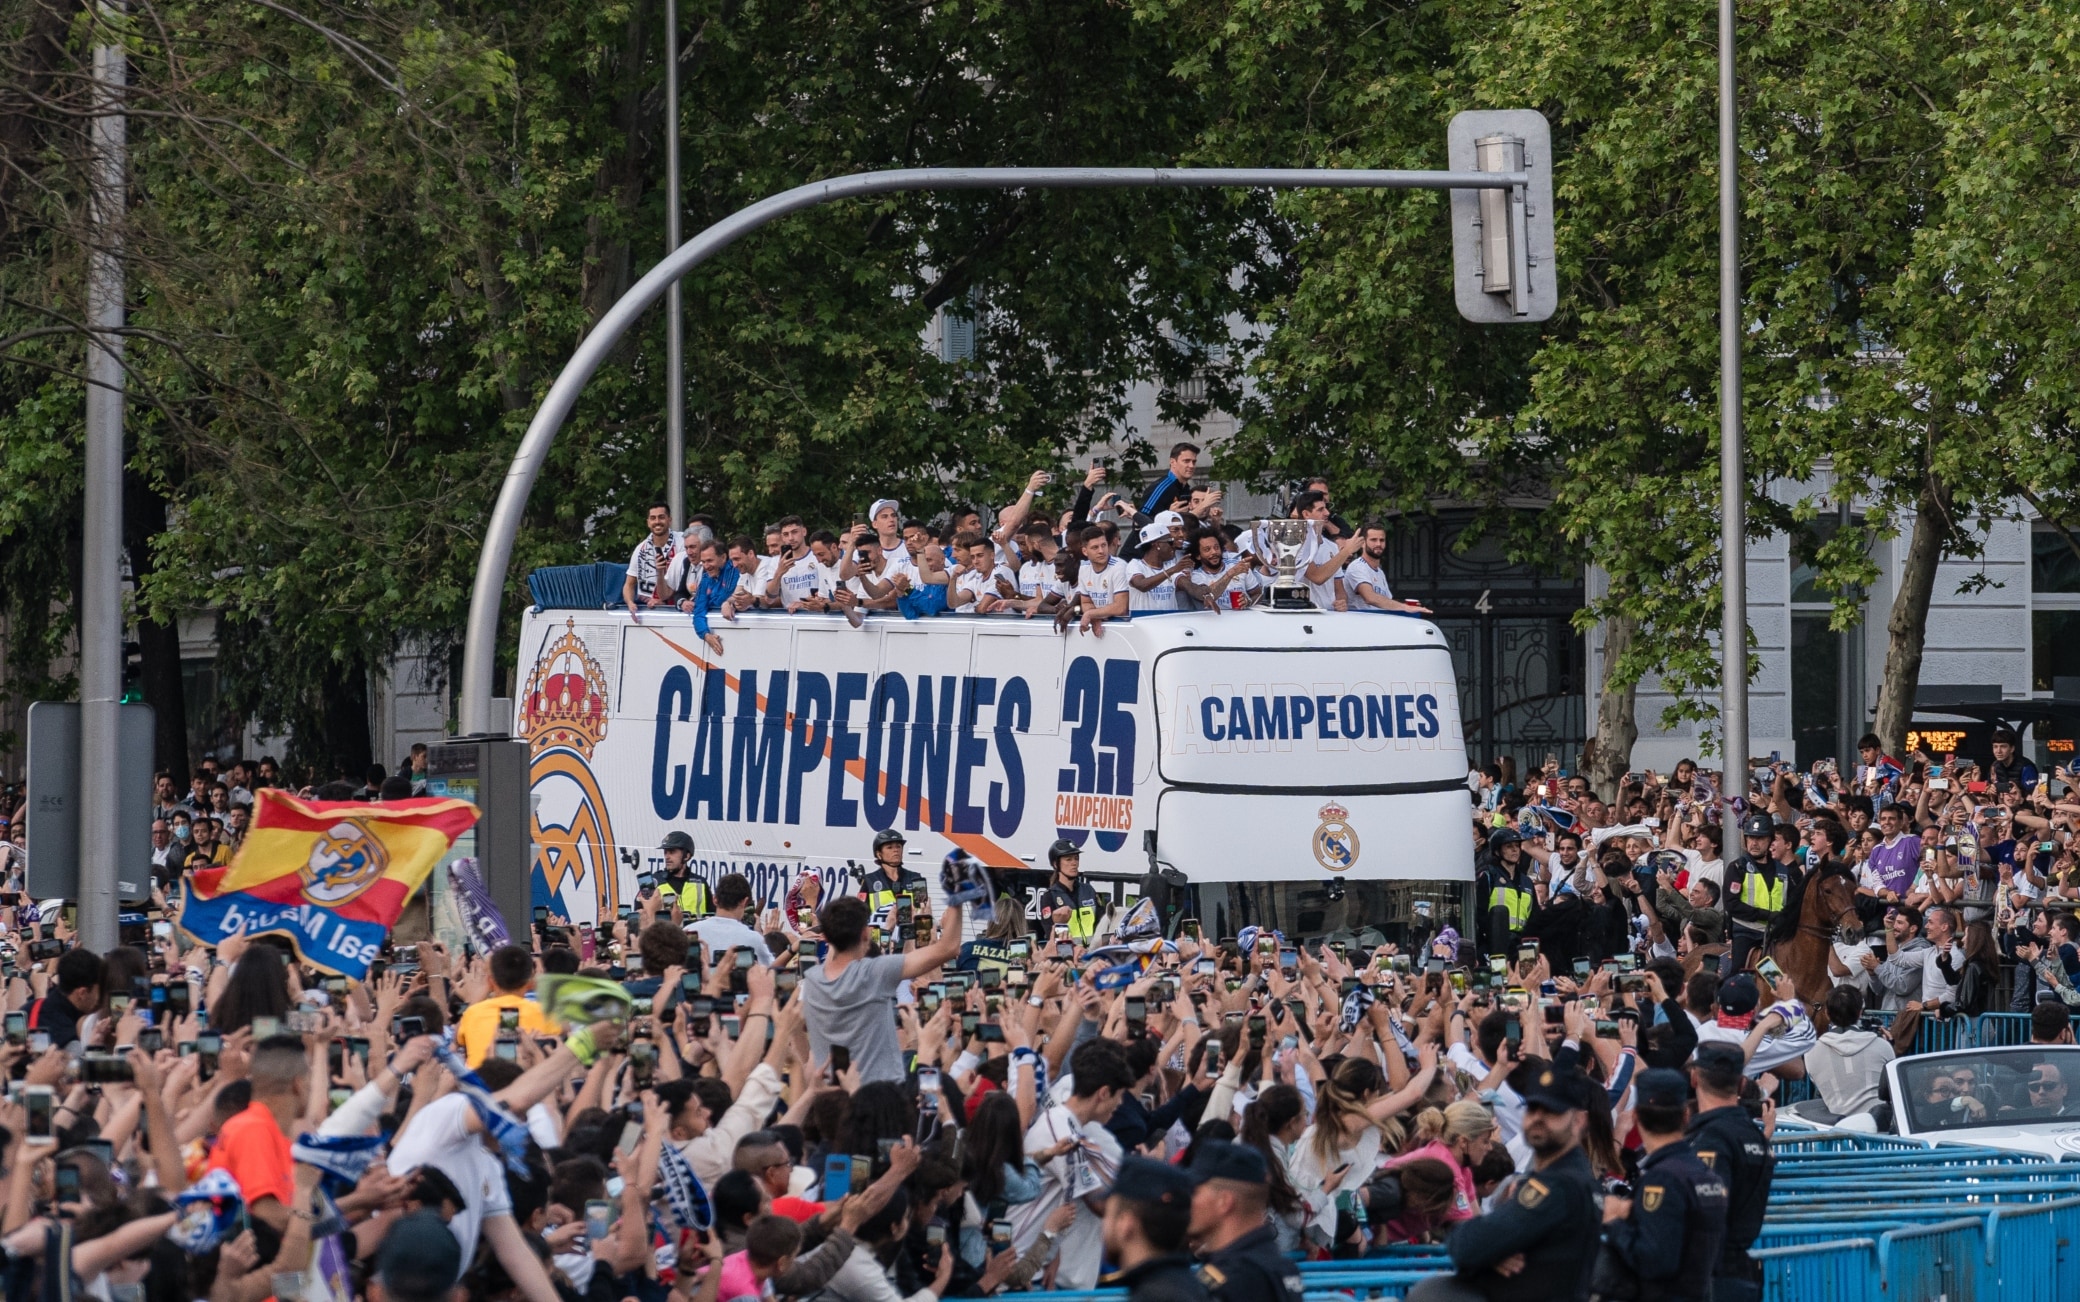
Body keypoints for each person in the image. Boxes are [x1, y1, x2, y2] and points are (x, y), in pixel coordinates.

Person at [1407, 1067, 1601, 1302]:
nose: (1538, 1118)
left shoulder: (1558, 1184)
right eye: (1532, 1109)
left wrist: (1491, 1247)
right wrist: (1494, 1248)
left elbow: (1467, 1245)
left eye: (1552, 1111)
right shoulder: (1563, 1177)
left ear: (1578, 1121)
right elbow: (1472, 1242)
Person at [1594, 1068, 1727, 1302]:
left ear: (1635, 1118)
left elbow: (1655, 1259)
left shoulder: (1663, 1179)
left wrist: (1615, 1220)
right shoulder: (1704, 1174)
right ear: (1686, 1116)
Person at [1009, 1037, 1132, 1290]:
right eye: (1119, 1096)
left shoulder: (1069, 1125)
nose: (1120, 1105)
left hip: (1036, 1271)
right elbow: (1101, 1203)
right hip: (1018, 1273)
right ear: (1104, 1093)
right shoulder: (1062, 1132)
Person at [800, 894, 960, 1084]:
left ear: (826, 937)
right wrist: (958, 896)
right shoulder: (875, 972)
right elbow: (949, 948)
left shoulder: (811, 981)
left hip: (829, 1095)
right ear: (865, 934)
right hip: (877, 1095)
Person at [1684, 1043, 1773, 1302]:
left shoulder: (1712, 1139)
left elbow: (1707, 1214)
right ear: (1743, 1084)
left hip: (1710, 1278)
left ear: (1694, 1077)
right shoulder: (1754, 1137)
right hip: (1738, 1272)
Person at [1185, 1139, 1305, 1302]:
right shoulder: (1279, 1267)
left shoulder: (1235, 1279)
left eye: (1194, 1192)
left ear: (1224, 1202)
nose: (1187, 1201)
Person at [1100, 1157, 1212, 1302]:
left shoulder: (1152, 1295)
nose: (1103, 1226)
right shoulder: (1195, 1288)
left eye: (1107, 1215)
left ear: (1125, 1223)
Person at [453, 943, 554, 1067]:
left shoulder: (473, 1013)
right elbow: (566, 1028)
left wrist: (483, 991)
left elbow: (457, 1038)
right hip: (528, 1082)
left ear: (490, 982)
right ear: (531, 983)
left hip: (481, 1084)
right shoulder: (544, 1013)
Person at [1804, 985, 1893, 1118]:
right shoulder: (1883, 1046)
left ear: (1827, 1013)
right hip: (1877, 1126)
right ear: (1860, 1013)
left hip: (1836, 1128)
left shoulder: (1811, 1051)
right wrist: (1890, 1045)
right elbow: (1891, 1085)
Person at [1723, 813, 1791, 973]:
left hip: (1776, 933)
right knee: (1737, 973)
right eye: (1751, 838)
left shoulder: (1784, 871)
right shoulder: (1737, 868)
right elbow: (1731, 904)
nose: (1754, 843)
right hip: (1746, 932)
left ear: (1770, 841)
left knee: (1786, 973)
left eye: (1760, 838)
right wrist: (1766, 915)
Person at [688, 871, 776, 965]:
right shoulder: (754, 939)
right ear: (744, 902)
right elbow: (772, 970)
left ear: (715, 899)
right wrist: (766, 937)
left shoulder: (689, 932)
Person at [33, 946, 103, 1050]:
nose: (100, 999)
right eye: (99, 992)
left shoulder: (34, 1006)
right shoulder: (66, 1035)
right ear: (82, 993)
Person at [623, 499, 683, 618]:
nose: (657, 521)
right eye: (653, 518)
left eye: (661, 517)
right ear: (648, 522)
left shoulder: (682, 542)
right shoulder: (641, 549)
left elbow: (688, 579)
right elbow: (629, 584)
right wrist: (630, 603)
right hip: (649, 610)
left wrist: (663, 600)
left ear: (669, 520)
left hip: (678, 609)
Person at [1042, 839, 1103, 943]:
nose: (1074, 863)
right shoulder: (1049, 896)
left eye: (1076, 858)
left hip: (1092, 954)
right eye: (1068, 859)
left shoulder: (1089, 890)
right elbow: (1051, 935)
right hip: (1066, 955)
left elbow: (1102, 922)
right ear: (1056, 864)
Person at [858, 831, 927, 917]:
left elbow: (925, 912)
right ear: (879, 854)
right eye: (889, 847)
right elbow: (859, 915)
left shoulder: (916, 878)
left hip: (909, 929)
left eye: (898, 846)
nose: (896, 850)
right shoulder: (869, 881)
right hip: (881, 929)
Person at [1138, 442, 1201, 518]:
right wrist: (1169, 515)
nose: (1191, 466)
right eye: (1186, 461)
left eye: (1194, 462)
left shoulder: (1185, 487)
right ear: (1172, 462)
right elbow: (1141, 518)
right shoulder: (1162, 487)